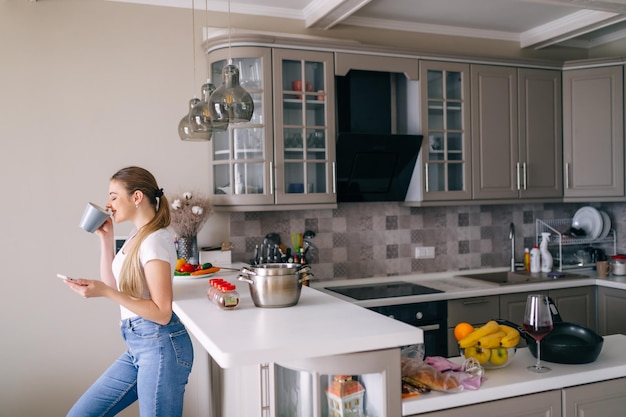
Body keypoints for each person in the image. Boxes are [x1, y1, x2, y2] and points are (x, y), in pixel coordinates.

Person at [64, 166, 194, 417]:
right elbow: (113, 285)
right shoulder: (138, 235)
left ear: (136, 197)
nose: (108, 203)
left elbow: (162, 312)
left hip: (160, 345)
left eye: (114, 196)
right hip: (139, 345)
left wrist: (105, 292)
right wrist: (106, 239)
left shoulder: (155, 240)